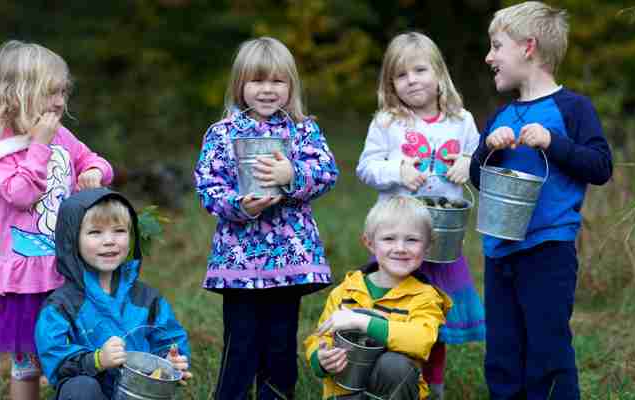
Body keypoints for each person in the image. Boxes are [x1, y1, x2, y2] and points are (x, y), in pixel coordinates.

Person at [469, 2, 613, 398]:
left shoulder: (573, 108)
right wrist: (487, 153)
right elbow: (478, 179)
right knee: (502, 351)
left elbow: (600, 166)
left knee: (547, 350)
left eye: (497, 46)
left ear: (528, 48)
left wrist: (554, 142)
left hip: (548, 249)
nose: (489, 56)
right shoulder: (499, 116)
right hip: (499, 252)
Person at [0, 40, 114, 400]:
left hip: (68, 270)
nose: (61, 102)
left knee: (80, 353)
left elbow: (96, 161)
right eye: (51, 92)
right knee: (27, 366)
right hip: (26, 280)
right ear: (17, 94)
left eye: (63, 91)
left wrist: (93, 171)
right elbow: (20, 195)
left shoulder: (62, 135)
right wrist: (40, 145)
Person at [194, 36, 339, 399]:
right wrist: (241, 205)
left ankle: (277, 393)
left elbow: (326, 172)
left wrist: (291, 176)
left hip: (289, 255)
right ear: (240, 85)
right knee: (240, 343)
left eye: (277, 81)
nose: (267, 90)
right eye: (257, 81)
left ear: (291, 86)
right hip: (239, 257)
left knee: (279, 343)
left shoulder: (303, 129)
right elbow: (208, 186)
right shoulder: (223, 133)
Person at [356, 31, 486, 399]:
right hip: (397, 239)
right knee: (394, 317)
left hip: (441, 241)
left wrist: (467, 162)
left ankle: (435, 388)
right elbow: (366, 167)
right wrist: (398, 170)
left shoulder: (461, 120)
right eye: (401, 74)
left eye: (420, 70)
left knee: (435, 324)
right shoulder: (387, 122)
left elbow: (481, 162)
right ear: (390, 84)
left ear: (439, 74)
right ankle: (391, 384)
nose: (412, 80)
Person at [35, 188, 192, 399]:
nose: (109, 240)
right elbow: (56, 362)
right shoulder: (61, 306)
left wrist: (171, 361)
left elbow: (169, 340)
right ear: (73, 240)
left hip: (138, 391)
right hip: (91, 392)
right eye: (95, 232)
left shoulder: (147, 299)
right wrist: (97, 360)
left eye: (119, 230)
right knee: (80, 388)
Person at [304, 196, 452, 399]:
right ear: (370, 243)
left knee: (394, 365)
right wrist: (320, 358)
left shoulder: (426, 297)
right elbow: (320, 337)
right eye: (389, 238)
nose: (400, 248)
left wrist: (363, 322)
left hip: (393, 391)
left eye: (412, 240)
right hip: (344, 392)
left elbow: (421, 340)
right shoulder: (346, 291)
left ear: (427, 246)